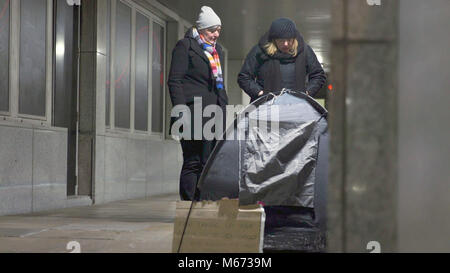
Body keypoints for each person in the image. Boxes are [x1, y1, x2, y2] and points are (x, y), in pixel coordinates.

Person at [167, 6, 228, 201]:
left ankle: (202, 205)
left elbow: (218, 85)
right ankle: (189, 207)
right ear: (201, 29)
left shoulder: (215, 52)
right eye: (212, 30)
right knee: (193, 162)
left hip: (212, 115)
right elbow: (174, 81)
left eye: (218, 30)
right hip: (192, 113)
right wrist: (180, 111)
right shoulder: (186, 46)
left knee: (207, 163)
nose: (216, 34)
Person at [238, 18, 326, 102]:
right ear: (274, 40)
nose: (286, 44)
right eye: (281, 40)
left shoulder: (305, 51)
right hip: (267, 107)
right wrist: (260, 93)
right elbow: (244, 77)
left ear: (294, 38)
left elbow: (318, 75)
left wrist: (307, 92)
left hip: (297, 108)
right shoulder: (259, 51)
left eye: (289, 40)